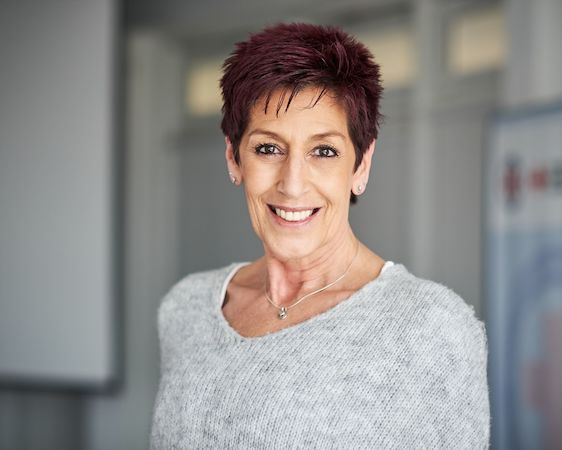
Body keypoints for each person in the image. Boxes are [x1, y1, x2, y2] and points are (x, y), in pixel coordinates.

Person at [150, 23, 490, 449]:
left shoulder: (431, 328)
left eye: (324, 151)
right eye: (268, 148)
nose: (293, 185)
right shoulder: (186, 308)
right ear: (233, 157)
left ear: (361, 165)